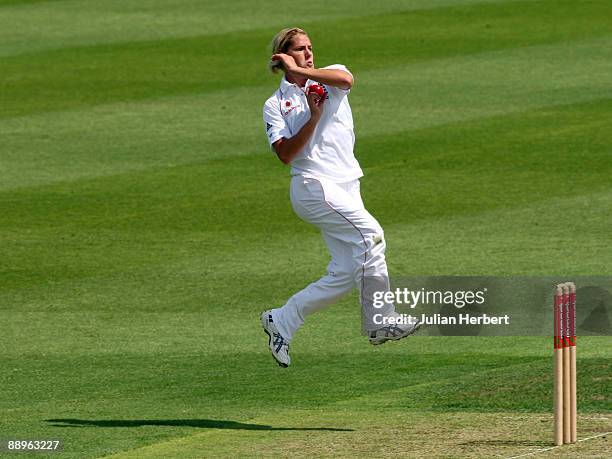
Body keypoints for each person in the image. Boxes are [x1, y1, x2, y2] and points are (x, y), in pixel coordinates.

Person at [260, 28, 420, 367]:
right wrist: (313, 118)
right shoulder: (276, 104)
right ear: (283, 56)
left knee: (347, 273)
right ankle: (381, 321)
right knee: (371, 236)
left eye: (310, 48)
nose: (309, 54)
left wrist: (303, 73)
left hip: (347, 186)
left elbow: (347, 80)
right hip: (313, 186)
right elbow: (286, 154)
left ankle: (282, 320)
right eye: (300, 50)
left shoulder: (327, 78)